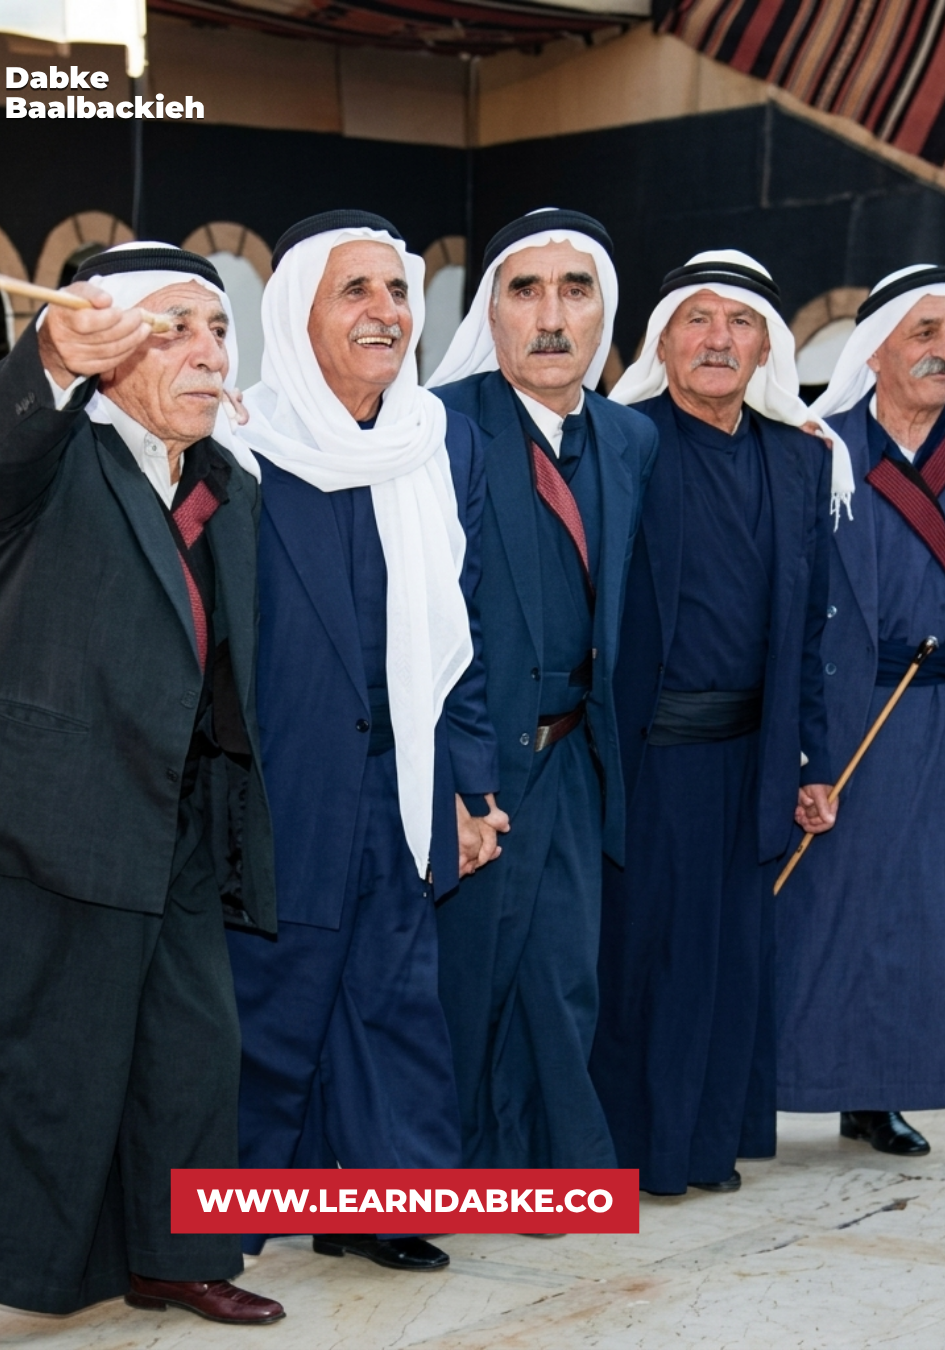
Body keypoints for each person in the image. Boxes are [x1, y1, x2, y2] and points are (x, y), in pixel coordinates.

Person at [0, 242, 285, 1346]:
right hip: (28, 815)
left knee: (188, 1051)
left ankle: (179, 1258)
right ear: (111, 352)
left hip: (176, 817)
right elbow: (1, 443)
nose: (207, 350)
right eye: (176, 327)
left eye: (218, 328)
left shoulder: (227, 484)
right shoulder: (51, 458)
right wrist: (50, 354)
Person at [227, 210, 502, 1272]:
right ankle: (221, 1220)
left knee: (392, 994)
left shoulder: (439, 441)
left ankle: (378, 1204)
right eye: (357, 291)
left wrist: (472, 786)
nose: (386, 312)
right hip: (278, 777)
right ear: (298, 314)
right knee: (270, 1004)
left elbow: (463, 631)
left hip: (406, 773)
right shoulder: (240, 439)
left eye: (398, 292)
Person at [592, 250, 848, 1196]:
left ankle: (708, 1144)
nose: (718, 339)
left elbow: (807, 634)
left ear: (767, 347)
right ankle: (637, 1152)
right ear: (662, 338)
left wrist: (809, 759)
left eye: (739, 323)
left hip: (756, 758)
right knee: (647, 957)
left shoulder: (797, 458)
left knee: (733, 960)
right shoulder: (619, 441)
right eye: (697, 320)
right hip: (649, 754)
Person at [427, 207, 658, 1168]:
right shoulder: (441, 428)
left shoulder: (631, 438)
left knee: (564, 975)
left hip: (576, 756)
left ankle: (556, 1170)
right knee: (464, 978)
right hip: (474, 754)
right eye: (527, 290)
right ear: (493, 312)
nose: (553, 315)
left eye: (577, 290)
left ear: (606, 311)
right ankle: (435, 1172)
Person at [776, 263, 945, 1157]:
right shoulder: (821, 450)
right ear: (874, 348)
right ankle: (790, 1077)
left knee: (918, 913)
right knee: (826, 909)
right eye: (923, 334)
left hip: (938, 718)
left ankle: (881, 1091)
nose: (940, 353)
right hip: (844, 715)